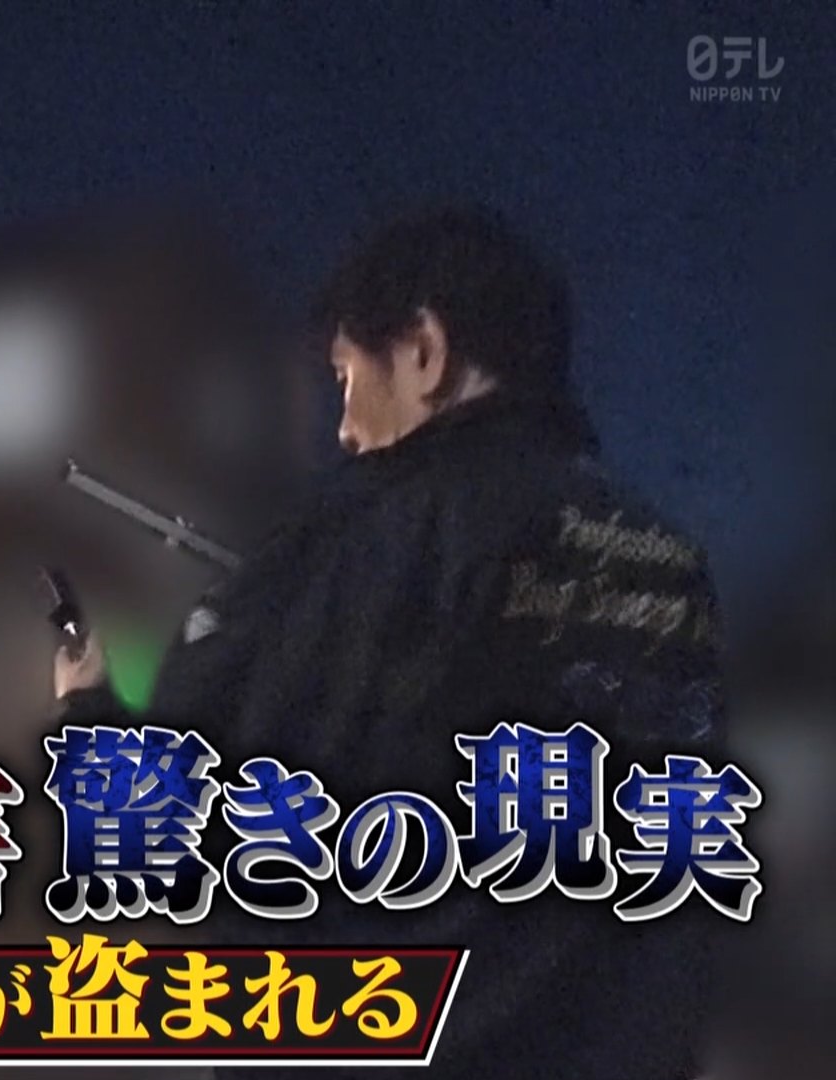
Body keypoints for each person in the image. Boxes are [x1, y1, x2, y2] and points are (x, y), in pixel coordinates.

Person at [54, 204, 726, 1079]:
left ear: (423, 351)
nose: (344, 428)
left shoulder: (356, 535)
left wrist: (89, 708)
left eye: (345, 377)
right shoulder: (672, 561)